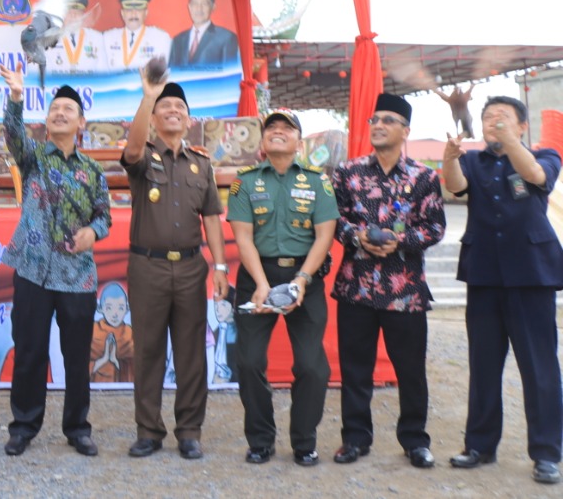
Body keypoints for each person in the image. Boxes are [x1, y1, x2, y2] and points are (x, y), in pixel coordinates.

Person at [444, 95, 563, 485]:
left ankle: (546, 453)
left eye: (503, 117)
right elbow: (455, 185)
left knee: (540, 368)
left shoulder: (545, 155)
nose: (493, 122)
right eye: (488, 117)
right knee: (483, 365)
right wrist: (449, 155)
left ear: (523, 126)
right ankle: (479, 445)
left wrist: (510, 141)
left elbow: (536, 178)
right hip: (484, 274)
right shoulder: (474, 161)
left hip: (531, 274)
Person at [0, 65, 112, 457]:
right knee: (29, 351)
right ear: (46, 120)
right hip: (32, 270)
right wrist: (16, 97)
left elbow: (105, 216)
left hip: (77, 276)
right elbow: (13, 135)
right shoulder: (32, 158)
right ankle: (23, 426)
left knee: (78, 357)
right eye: (54, 109)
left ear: (82, 122)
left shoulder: (93, 170)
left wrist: (92, 233)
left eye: (68, 109)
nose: (60, 113)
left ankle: (78, 428)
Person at [331, 92, 445, 470]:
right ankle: (355, 439)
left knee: (410, 371)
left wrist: (402, 241)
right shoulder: (347, 173)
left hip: (405, 292)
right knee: (355, 370)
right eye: (374, 119)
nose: (378, 125)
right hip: (356, 288)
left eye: (388, 120)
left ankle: (415, 441)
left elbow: (435, 227)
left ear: (405, 130)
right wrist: (357, 237)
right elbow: (335, 219)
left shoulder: (424, 177)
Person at [120, 67, 229, 460]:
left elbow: (213, 217)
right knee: (148, 351)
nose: (171, 110)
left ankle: (189, 431)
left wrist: (219, 267)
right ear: (153, 117)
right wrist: (149, 94)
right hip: (147, 267)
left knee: (190, 352)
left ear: (188, 119)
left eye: (178, 106)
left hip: (189, 268)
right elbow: (131, 151)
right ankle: (149, 431)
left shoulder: (201, 163)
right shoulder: (143, 157)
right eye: (164, 106)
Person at [227, 108, 337, 466]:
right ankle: (260, 440)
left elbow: (325, 236)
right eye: (270, 127)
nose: (277, 131)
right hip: (256, 277)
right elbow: (243, 237)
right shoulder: (243, 181)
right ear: (262, 141)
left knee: (311, 365)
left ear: (298, 142)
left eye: (286, 128)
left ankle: (304, 441)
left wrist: (302, 280)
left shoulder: (318, 181)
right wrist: (260, 284)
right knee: (248, 361)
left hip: (304, 277)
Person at [168, 0, 239, 68]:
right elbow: (171, 73)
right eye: (195, 4)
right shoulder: (178, 40)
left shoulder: (226, 38)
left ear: (213, 7)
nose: (199, 8)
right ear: (189, 7)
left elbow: (229, 76)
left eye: (204, 4)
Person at [103, 0, 172, 72]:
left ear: (146, 13)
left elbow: (162, 73)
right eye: (129, 10)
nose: (133, 14)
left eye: (138, 9)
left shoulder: (160, 38)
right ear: (122, 13)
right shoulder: (108, 38)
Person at [45, 0, 108, 73]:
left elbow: (103, 74)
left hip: (89, 85)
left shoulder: (96, 38)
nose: (73, 15)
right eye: (69, 11)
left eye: (77, 11)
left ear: (83, 14)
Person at [91, 282, 135, 383]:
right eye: (109, 308)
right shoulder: (92, 332)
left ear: (127, 309)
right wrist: (102, 360)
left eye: (120, 308)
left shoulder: (130, 334)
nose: (115, 314)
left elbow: (139, 368)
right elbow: (80, 365)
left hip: (123, 392)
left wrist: (116, 361)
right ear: (100, 308)